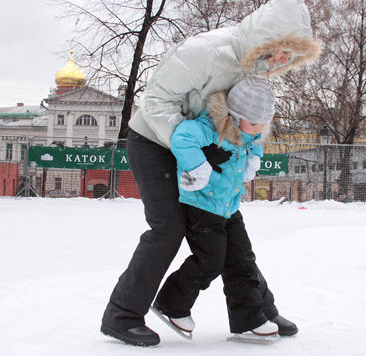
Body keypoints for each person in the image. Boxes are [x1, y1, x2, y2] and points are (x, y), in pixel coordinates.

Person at [101, 0, 321, 346]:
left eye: (290, 55)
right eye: (280, 51)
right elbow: (156, 103)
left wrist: (237, 148)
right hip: (154, 140)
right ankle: (122, 315)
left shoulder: (254, 64)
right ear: (265, 39)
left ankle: (255, 312)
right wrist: (193, 153)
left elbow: (241, 113)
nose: (282, 61)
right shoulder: (202, 52)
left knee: (228, 221)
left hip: (201, 144)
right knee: (168, 228)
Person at [153, 77, 278, 339]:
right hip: (200, 205)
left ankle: (249, 319)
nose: (257, 130)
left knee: (242, 259)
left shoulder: (250, 133)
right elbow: (182, 139)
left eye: (262, 125)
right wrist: (199, 168)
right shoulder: (209, 126)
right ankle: (171, 305)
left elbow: (254, 144)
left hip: (228, 206)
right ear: (234, 115)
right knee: (210, 261)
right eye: (253, 123)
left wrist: (253, 159)